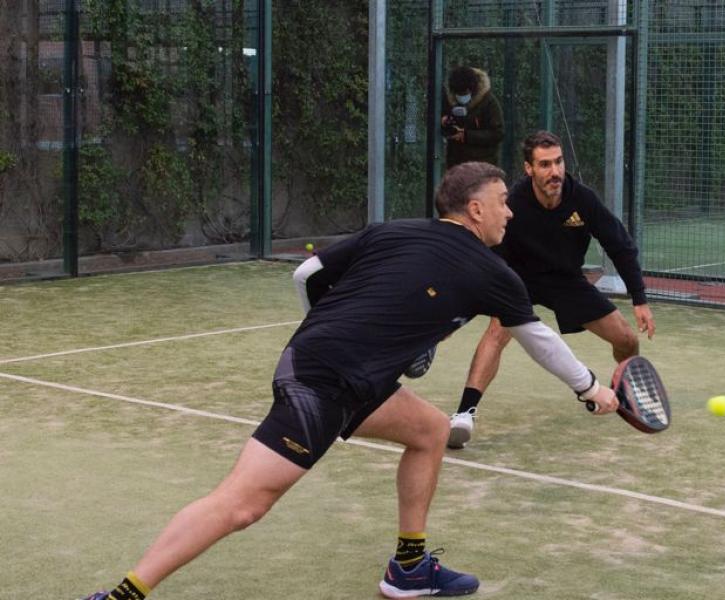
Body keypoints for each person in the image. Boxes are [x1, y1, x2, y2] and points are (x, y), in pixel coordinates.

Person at [79, 162, 618, 600]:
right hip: (325, 383)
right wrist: (589, 388)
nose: (510, 212)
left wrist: (331, 330)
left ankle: (408, 568)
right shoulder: (495, 273)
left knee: (430, 431)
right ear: (475, 209)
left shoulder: (391, 231)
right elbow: (539, 339)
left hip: (337, 370)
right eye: (503, 201)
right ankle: (122, 596)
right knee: (242, 505)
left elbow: (307, 276)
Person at [447, 131, 656, 449]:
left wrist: (639, 298)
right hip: (519, 278)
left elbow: (620, 245)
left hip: (566, 279)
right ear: (529, 168)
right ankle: (464, 414)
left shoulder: (581, 199)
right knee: (496, 332)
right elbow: (490, 246)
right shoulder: (513, 203)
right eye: (544, 164)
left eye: (558, 162)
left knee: (627, 339)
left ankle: (627, 391)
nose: (554, 171)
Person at [442, 65, 504, 168]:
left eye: (464, 93)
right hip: (456, 164)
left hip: (482, 165)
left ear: (472, 89)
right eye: (458, 94)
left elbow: (498, 133)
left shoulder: (488, 102)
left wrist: (467, 136)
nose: (461, 97)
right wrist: (444, 122)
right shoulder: (449, 100)